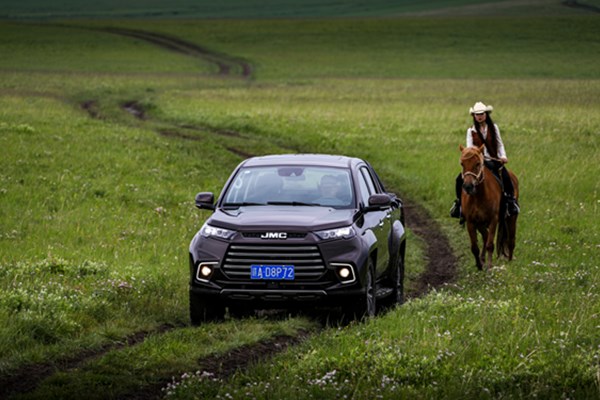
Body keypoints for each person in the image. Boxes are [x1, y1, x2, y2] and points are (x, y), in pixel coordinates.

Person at [450, 101, 520, 220]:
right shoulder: (470, 131)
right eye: (477, 114)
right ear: (474, 116)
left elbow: (499, 143)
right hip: (478, 163)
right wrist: (479, 159)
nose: (480, 116)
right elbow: (470, 149)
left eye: (482, 113)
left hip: (494, 161)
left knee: (506, 177)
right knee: (459, 179)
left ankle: (510, 202)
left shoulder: (494, 128)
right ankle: (460, 205)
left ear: (486, 114)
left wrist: (503, 156)